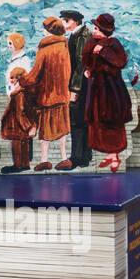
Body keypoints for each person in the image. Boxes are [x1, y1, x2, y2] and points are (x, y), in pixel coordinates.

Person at [18, 16, 73, 171]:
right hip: (62, 96)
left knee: (45, 131)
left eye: (44, 27)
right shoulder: (64, 46)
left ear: (48, 30)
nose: (42, 30)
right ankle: (64, 158)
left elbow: (35, 75)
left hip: (47, 96)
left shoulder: (44, 49)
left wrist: (22, 80)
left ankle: (44, 160)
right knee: (62, 129)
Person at [83, 12, 133, 172]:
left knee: (112, 120)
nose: (94, 31)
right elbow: (86, 60)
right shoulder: (92, 42)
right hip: (96, 89)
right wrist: (88, 69)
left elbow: (121, 61)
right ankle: (110, 155)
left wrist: (103, 51)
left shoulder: (113, 43)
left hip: (111, 90)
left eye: (96, 28)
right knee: (98, 122)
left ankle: (115, 155)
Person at [61, 9, 94, 169]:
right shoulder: (77, 35)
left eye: (66, 20)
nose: (64, 23)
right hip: (82, 85)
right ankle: (84, 156)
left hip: (80, 86)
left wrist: (74, 89)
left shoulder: (82, 36)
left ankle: (77, 157)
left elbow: (81, 64)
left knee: (77, 121)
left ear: (76, 21)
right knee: (82, 121)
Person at [0, 66, 36, 173]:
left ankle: (18, 166)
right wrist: (31, 126)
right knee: (24, 145)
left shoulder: (19, 94)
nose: (10, 80)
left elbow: (20, 113)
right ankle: (24, 165)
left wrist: (28, 127)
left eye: (12, 78)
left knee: (18, 145)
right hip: (22, 127)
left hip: (17, 126)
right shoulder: (26, 92)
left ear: (19, 78)